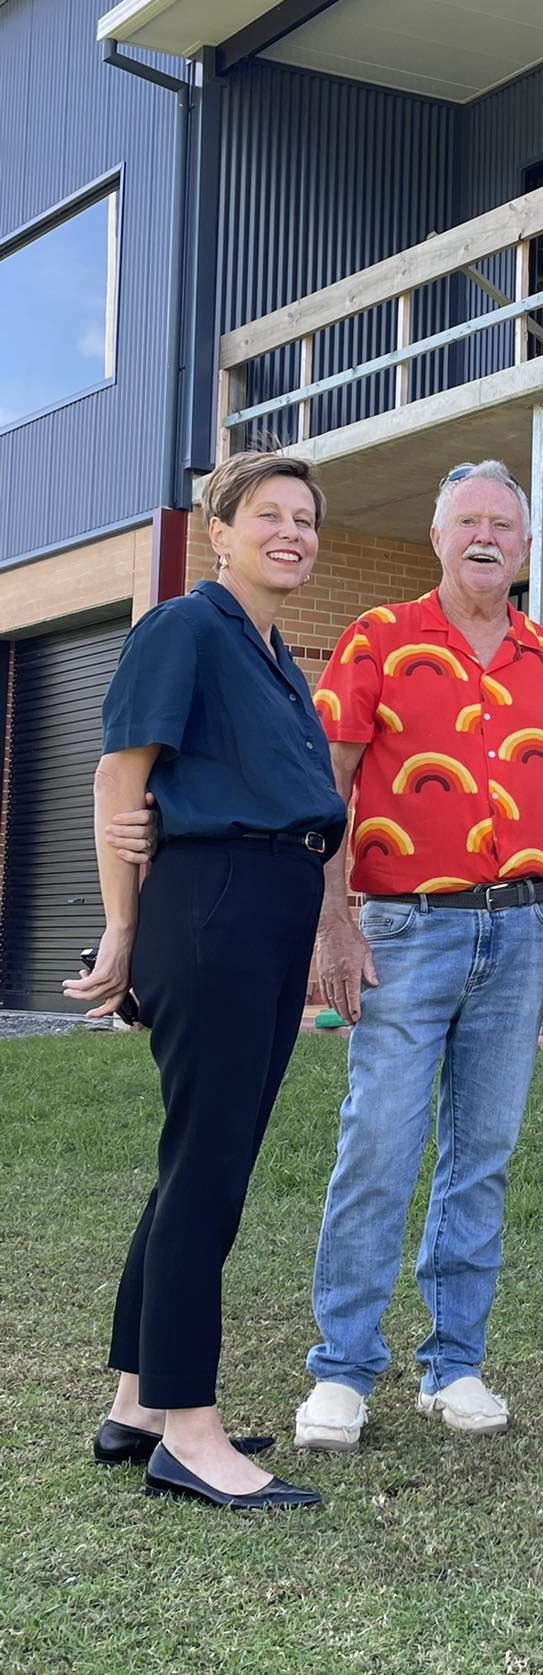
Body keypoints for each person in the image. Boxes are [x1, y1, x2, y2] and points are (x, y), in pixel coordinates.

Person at [286, 459, 543, 1450]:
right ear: (437, 538)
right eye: (467, 520)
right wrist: (332, 922)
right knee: (378, 1144)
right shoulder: (379, 638)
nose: (485, 537)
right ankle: (341, 1370)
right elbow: (327, 785)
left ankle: (454, 1363)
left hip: (524, 929)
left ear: (526, 546)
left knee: (483, 1156)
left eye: (502, 524)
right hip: (403, 930)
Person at [66, 451, 346, 1510]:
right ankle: (190, 1431)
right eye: (268, 514)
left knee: (197, 1159)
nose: (291, 533)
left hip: (268, 903)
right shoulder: (184, 627)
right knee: (208, 1173)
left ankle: (138, 1403)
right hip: (216, 903)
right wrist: (122, 929)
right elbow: (119, 775)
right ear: (218, 533)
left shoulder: (274, 655)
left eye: (305, 519)